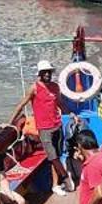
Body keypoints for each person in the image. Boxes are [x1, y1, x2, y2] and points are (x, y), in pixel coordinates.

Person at [28, 59, 72, 191]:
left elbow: (59, 103)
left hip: (57, 125)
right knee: (52, 155)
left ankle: (55, 185)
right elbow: (21, 105)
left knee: (56, 157)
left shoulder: (55, 87)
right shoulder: (34, 88)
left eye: (49, 72)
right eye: (44, 72)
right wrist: (8, 122)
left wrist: (71, 114)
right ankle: (65, 177)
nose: (47, 74)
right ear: (39, 74)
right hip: (44, 129)